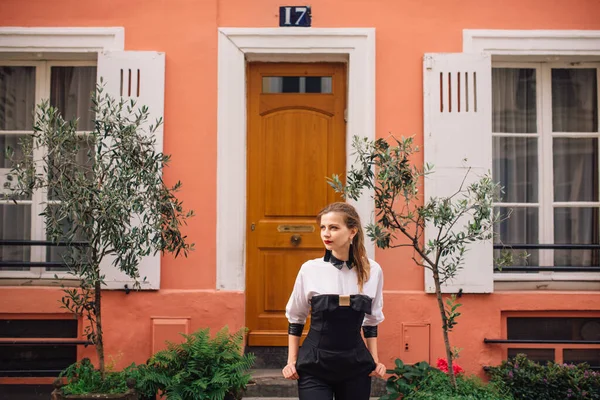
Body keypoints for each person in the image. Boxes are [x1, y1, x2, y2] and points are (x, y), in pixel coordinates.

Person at [282, 202, 386, 400]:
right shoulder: (310, 270)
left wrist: (374, 359)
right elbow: (296, 318)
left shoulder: (373, 271)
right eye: (323, 227)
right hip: (315, 365)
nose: (325, 234)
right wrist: (291, 361)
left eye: (333, 228)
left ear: (352, 231)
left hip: (355, 366)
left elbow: (371, 321)